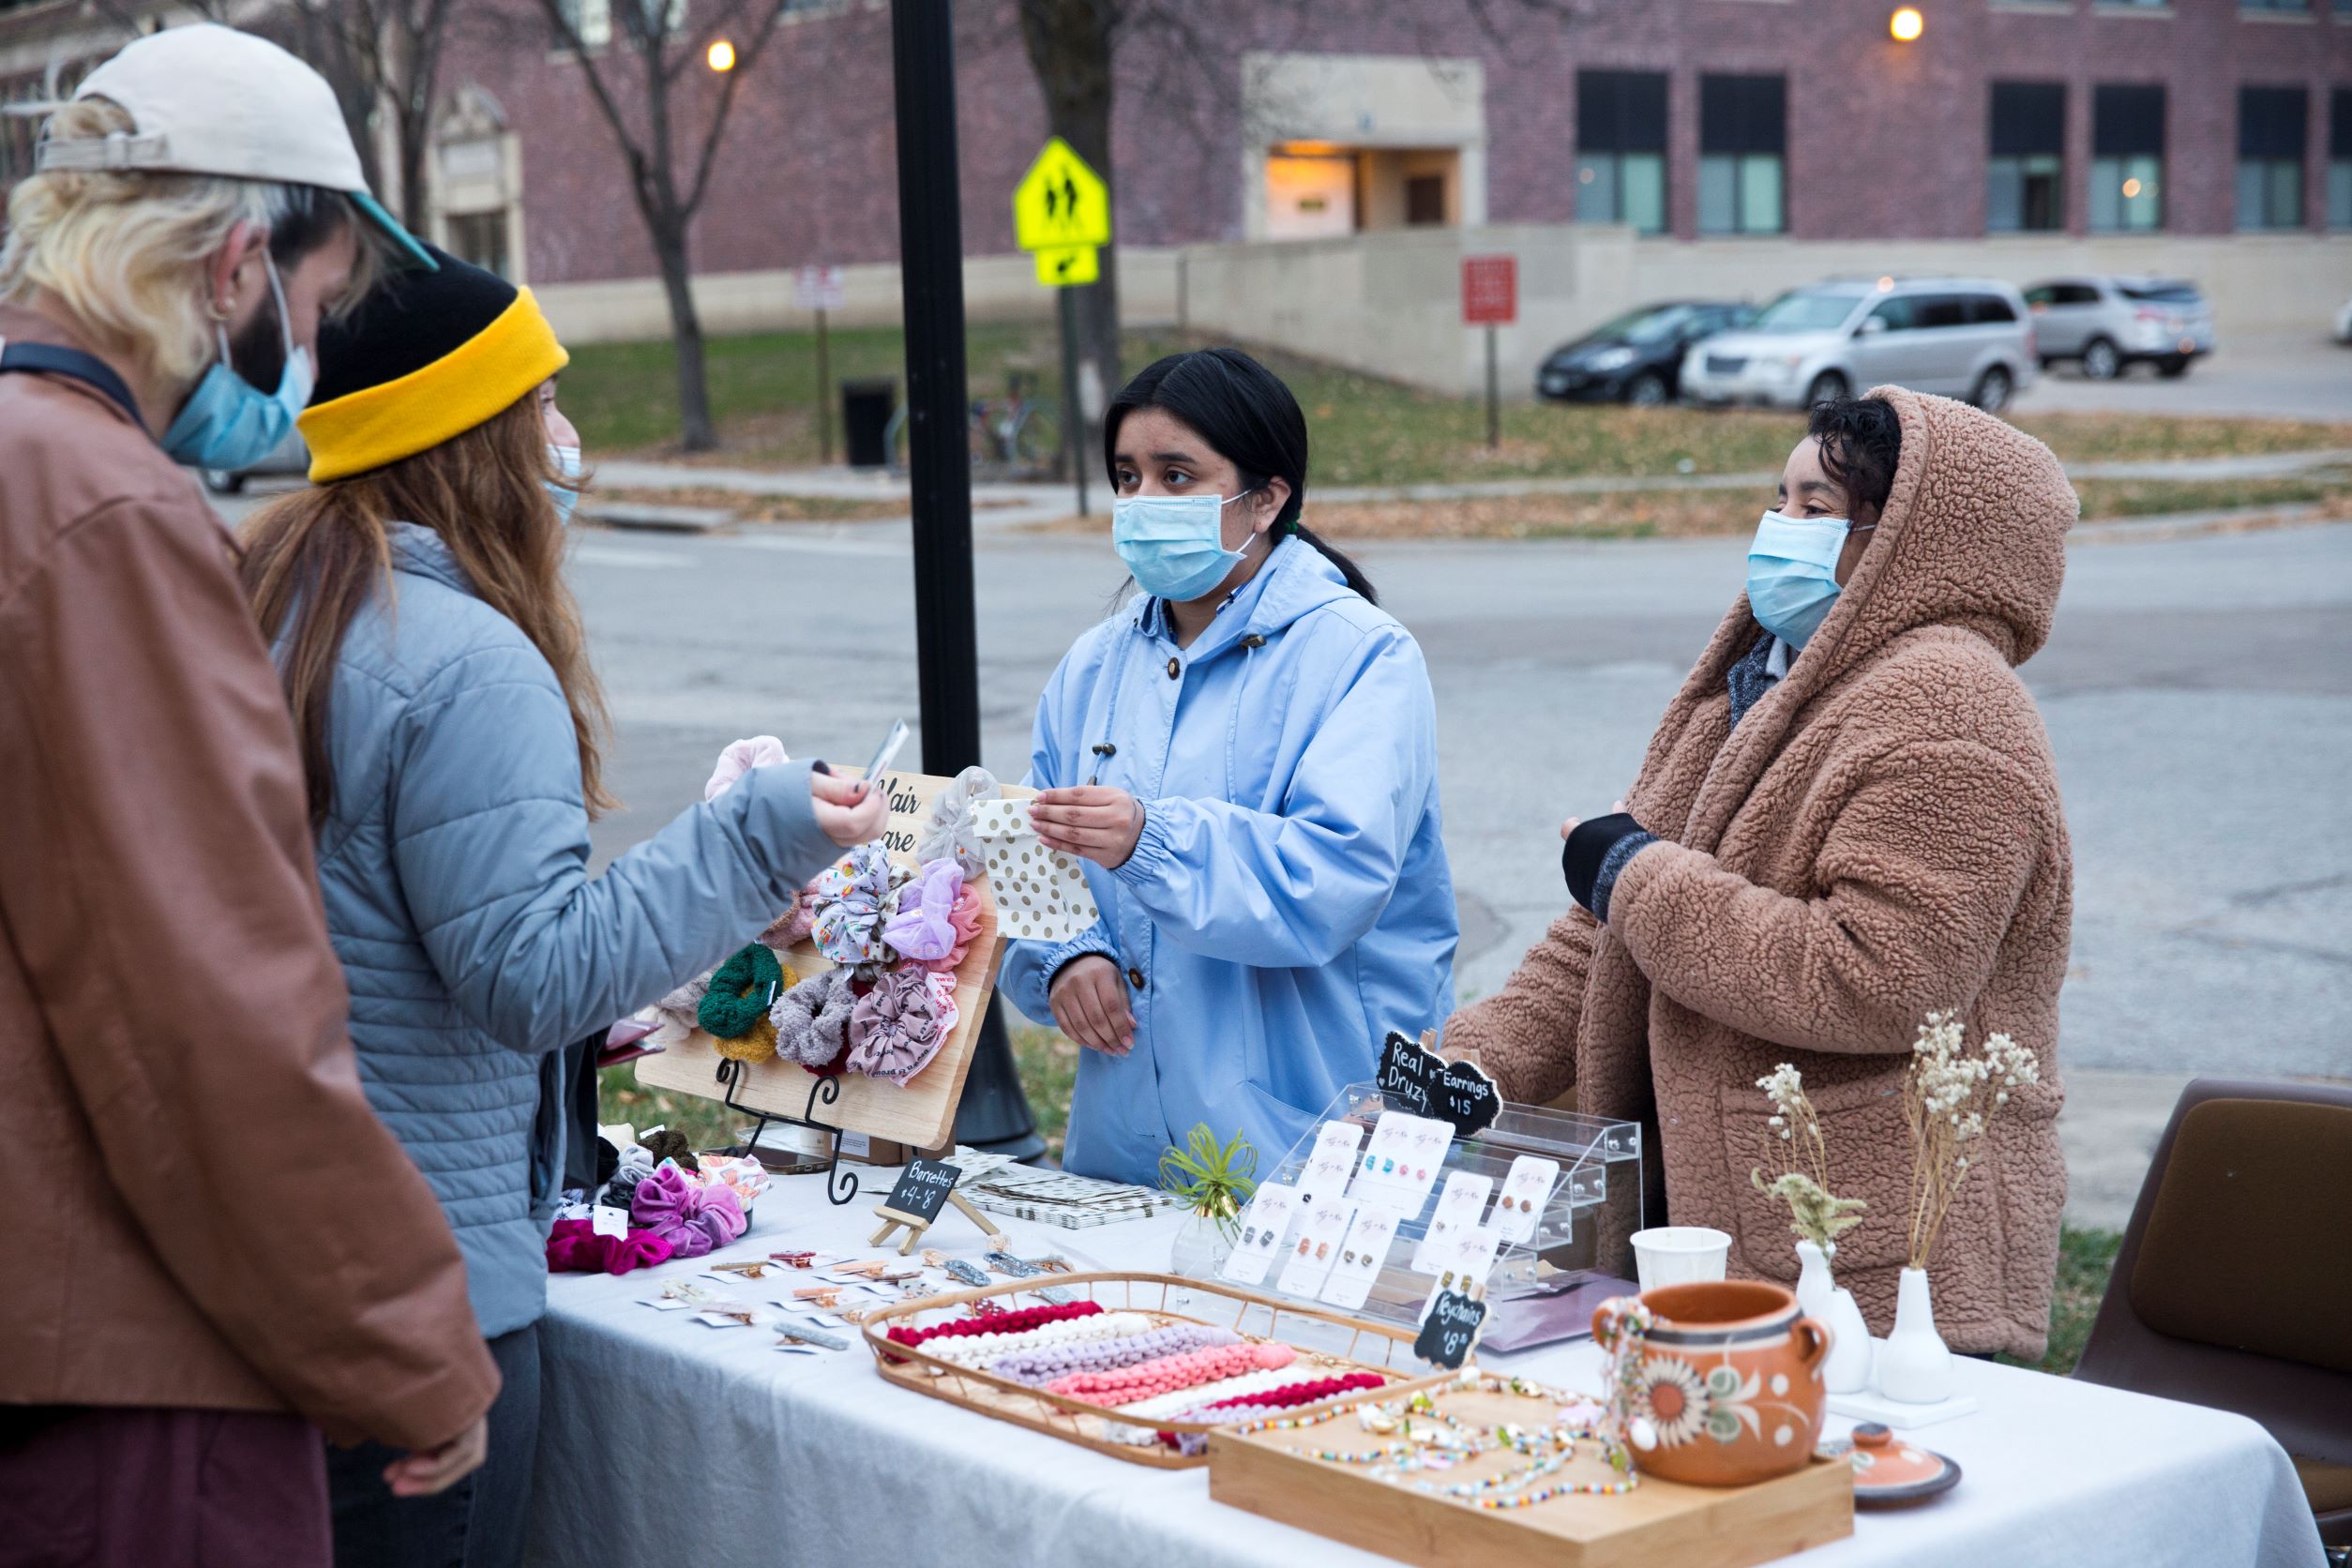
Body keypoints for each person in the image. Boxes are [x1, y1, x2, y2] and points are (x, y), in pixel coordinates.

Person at [235, 246, 882, 1567]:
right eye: (543, 403)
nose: (568, 439)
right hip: (425, 1290)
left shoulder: (284, 604)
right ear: (471, 441)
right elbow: (525, 973)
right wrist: (760, 834)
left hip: (290, 1255)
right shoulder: (469, 660)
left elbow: (378, 940)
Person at [0, 24, 501, 1565]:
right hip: (125, 1379)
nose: (314, 341)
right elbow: (209, 1016)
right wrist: (408, 1347)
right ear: (234, 264)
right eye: (321, 294)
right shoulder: (94, 506)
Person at [1444, 391, 2074, 1360]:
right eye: (1778, 499)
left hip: (1876, 1272)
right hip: (1712, 1224)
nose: (1780, 529)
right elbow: (1608, 932)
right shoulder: (1758, 685)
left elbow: (1877, 979)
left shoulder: (1954, 711)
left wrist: (1636, 875)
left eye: (1816, 508)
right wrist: (1472, 1063)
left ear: (1913, 537)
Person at [1000, 347, 1459, 1185]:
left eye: (1178, 476)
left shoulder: (1360, 656)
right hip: (1125, 1139)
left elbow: (1335, 874)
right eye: (1127, 477)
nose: (1143, 503)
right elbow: (1031, 852)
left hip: (1311, 1129)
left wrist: (1151, 841)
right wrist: (1068, 954)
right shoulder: (1093, 666)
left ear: (1268, 497)